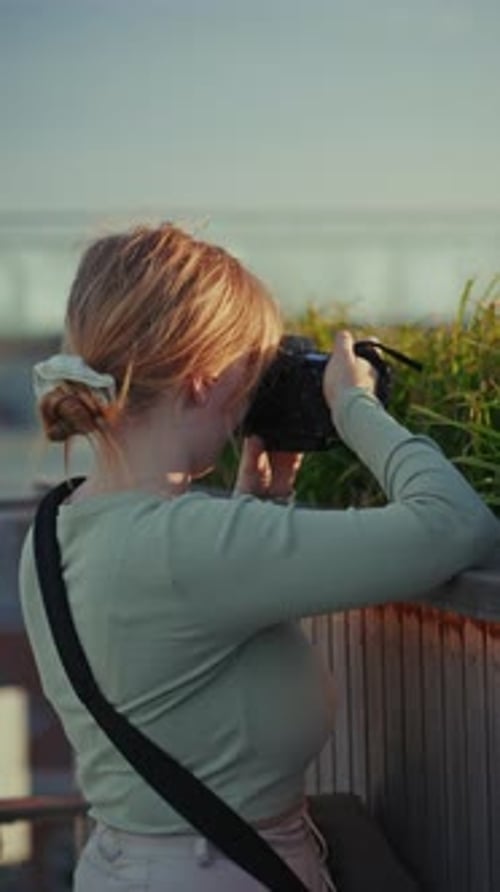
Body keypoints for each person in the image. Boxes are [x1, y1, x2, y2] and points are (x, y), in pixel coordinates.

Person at [19, 222, 499, 892]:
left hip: (128, 866)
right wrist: (352, 404)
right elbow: (458, 527)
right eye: (251, 371)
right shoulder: (188, 543)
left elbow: (185, 668)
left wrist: (261, 504)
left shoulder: (60, 524)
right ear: (199, 381)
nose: (255, 397)